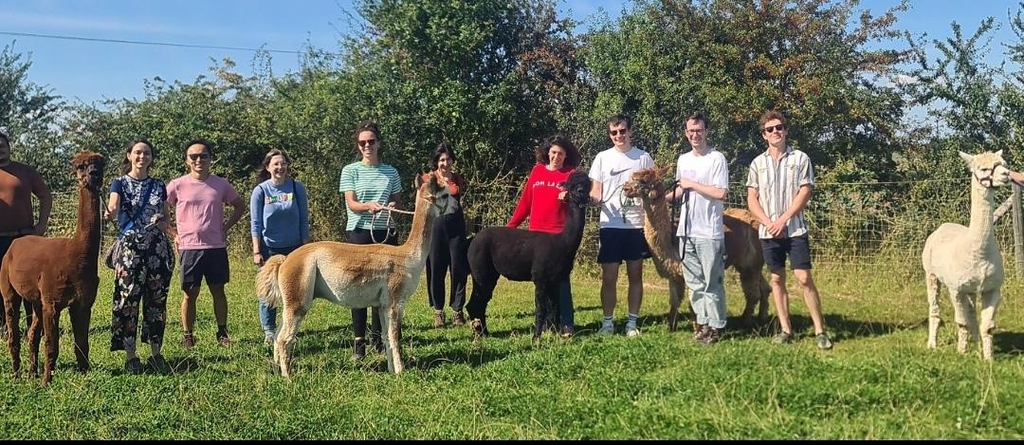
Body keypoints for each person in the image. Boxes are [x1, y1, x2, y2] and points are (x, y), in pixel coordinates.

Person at [745, 110, 833, 350]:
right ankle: (786, 329)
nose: (775, 132)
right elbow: (752, 198)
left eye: (779, 127)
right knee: (776, 279)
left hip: (794, 229)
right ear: (763, 134)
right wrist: (767, 222)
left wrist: (783, 219)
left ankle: (820, 330)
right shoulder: (757, 163)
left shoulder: (800, 159)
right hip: (768, 232)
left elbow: (805, 191)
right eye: (770, 129)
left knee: (804, 278)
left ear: (786, 130)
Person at [166, 139, 246, 349]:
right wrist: (173, 233)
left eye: (203, 156)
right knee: (189, 293)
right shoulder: (177, 184)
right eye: (194, 156)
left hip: (216, 247)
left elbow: (239, 206)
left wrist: (225, 228)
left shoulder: (221, 184)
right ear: (187, 160)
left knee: (218, 290)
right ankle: (188, 335)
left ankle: (222, 332)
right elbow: (160, 210)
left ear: (211, 159)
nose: (199, 160)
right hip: (189, 248)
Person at [104, 138, 175, 373]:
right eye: (137, 152)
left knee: (156, 300)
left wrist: (168, 228)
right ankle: (130, 355)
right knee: (127, 299)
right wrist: (108, 212)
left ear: (151, 158)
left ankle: (156, 353)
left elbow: (165, 217)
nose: (142, 157)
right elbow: (113, 208)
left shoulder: (158, 185)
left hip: (157, 248)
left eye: (146, 153)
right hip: (130, 250)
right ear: (129, 156)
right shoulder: (119, 184)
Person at [339, 121, 402, 361]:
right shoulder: (350, 170)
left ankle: (379, 338)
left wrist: (393, 206)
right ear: (358, 146)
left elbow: (398, 201)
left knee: (384, 287)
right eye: (363, 143)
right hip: (360, 231)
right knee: (359, 286)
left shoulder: (391, 172)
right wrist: (368, 206)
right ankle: (359, 342)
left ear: (378, 144)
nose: (367, 146)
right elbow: (351, 204)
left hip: (386, 232)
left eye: (371, 142)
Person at [508, 134, 582, 337]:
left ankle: (566, 323)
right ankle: (546, 322)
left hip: (559, 236)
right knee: (541, 281)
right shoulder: (537, 171)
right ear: (547, 153)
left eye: (560, 154)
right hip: (536, 237)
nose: (556, 157)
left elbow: (579, 198)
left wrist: (568, 196)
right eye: (553, 152)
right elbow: (525, 203)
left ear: (566, 156)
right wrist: (511, 227)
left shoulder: (571, 174)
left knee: (561, 280)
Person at [665, 113, 729, 345]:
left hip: (708, 231)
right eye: (691, 131)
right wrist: (661, 199)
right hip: (687, 230)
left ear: (706, 131)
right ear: (686, 133)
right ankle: (702, 324)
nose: (695, 134)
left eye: (699, 130)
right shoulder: (683, 160)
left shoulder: (716, 159)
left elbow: (721, 192)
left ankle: (716, 325)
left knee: (712, 281)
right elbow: (681, 190)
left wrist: (693, 185)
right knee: (694, 282)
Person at [588, 114, 654, 337]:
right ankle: (607, 323)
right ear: (610, 134)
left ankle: (632, 323)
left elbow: (653, 189)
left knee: (636, 274)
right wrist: (589, 200)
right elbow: (596, 192)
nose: (619, 136)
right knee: (609, 276)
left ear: (630, 132)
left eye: (622, 131)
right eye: (614, 132)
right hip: (610, 224)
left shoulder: (643, 158)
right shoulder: (602, 158)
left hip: (636, 225)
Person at [250, 149, 310, 345]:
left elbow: (303, 219)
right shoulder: (261, 191)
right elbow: (256, 223)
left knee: (292, 291)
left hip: (294, 249)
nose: (280, 167)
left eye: (283, 163)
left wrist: (305, 246)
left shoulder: (296, 188)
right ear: (268, 167)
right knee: (269, 293)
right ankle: (269, 330)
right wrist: (257, 250)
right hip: (269, 249)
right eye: (275, 164)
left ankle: (288, 328)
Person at [0, 131, 51, 337]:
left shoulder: (24, 171)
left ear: (9, 147)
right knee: (1, 285)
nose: (0, 149)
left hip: (24, 238)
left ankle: (35, 326)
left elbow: (45, 195)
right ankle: (6, 328)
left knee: (30, 285)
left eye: (2, 145)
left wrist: (41, 225)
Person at [422, 143, 468, 329]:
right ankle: (438, 312)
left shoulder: (458, 179)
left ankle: (457, 310)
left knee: (459, 269)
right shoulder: (429, 178)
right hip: (435, 231)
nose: (445, 163)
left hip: (456, 230)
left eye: (448, 159)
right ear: (436, 162)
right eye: (441, 159)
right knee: (436, 270)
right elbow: (422, 200)